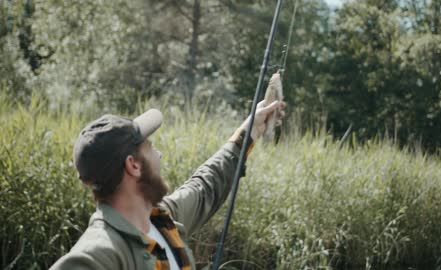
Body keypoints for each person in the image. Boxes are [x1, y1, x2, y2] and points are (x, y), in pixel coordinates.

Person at [50, 99, 286, 270]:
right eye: (150, 147)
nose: (159, 155)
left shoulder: (163, 219)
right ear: (133, 165)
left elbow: (204, 187)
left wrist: (248, 133)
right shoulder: (101, 251)